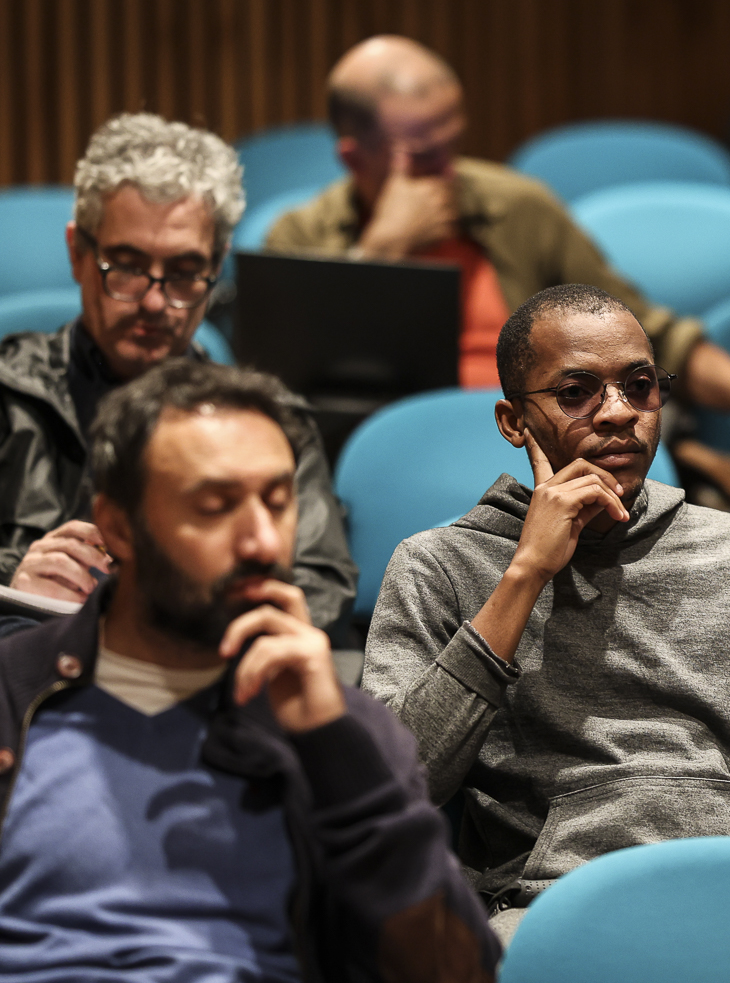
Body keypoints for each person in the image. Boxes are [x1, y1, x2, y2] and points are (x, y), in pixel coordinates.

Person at [361, 283, 730, 943]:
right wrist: (525, 575)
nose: (618, 413)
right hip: (561, 902)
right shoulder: (439, 566)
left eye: (639, 386)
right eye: (577, 392)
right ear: (513, 420)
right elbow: (395, 784)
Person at [0, 359, 498, 981]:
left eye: (278, 501)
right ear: (119, 527)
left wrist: (339, 755)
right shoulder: (14, 693)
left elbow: (454, 972)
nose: (263, 541)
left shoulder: (341, 733)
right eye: (215, 506)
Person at [265, 35, 730, 494]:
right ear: (354, 157)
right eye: (424, 157)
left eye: (454, 143)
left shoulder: (518, 207)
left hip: (547, 445)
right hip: (401, 460)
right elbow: (290, 398)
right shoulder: (300, 238)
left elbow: (648, 333)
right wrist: (379, 254)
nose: (448, 172)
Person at [0, 113, 357, 632]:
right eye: (125, 264)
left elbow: (321, 581)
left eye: (186, 273)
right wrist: (13, 584)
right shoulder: (7, 390)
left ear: (217, 269)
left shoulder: (269, 420)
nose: (153, 301)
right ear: (78, 253)